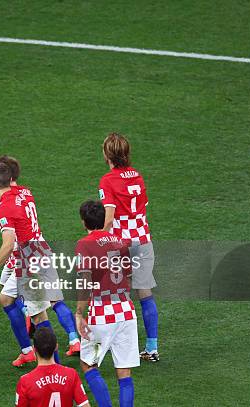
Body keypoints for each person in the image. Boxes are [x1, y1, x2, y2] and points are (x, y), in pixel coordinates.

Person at [0, 159, 80, 362]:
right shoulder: (23, 192)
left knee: (40, 317)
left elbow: (7, 243)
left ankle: (53, 364)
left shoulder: (4, 207)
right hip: (39, 252)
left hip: (31, 264)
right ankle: (29, 352)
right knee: (5, 299)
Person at [99, 133, 158, 362]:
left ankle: (120, 347)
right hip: (143, 240)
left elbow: (110, 216)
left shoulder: (108, 180)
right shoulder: (138, 176)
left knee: (116, 294)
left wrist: (96, 237)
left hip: (120, 243)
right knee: (145, 293)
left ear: (107, 154)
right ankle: (152, 347)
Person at [75, 200, 139, 407]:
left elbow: (84, 281)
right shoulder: (120, 242)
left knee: (88, 364)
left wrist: (78, 313)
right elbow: (129, 276)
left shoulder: (85, 244)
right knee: (124, 372)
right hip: (127, 311)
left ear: (84, 222)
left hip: (102, 313)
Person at [15, 327, 90, 407]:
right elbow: (85, 405)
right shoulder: (71, 374)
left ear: (34, 349)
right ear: (56, 347)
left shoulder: (25, 381)